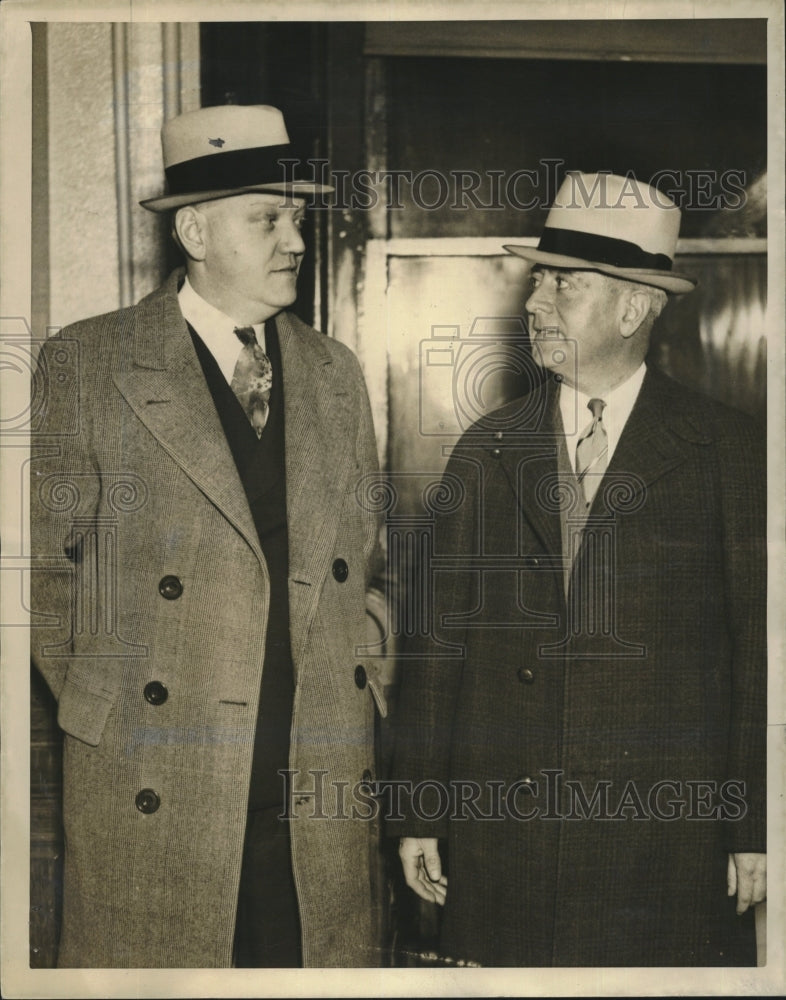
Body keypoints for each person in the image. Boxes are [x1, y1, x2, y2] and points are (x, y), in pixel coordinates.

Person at [30, 104, 387, 968]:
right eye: (267, 218)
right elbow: (36, 570)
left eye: (297, 217)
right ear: (194, 229)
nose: (294, 239)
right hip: (161, 773)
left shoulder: (334, 371)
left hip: (314, 778)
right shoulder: (90, 362)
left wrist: (366, 678)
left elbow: (372, 560)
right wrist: (107, 705)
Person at [391, 172, 766, 966]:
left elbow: (761, 658)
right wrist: (419, 809)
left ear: (635, 305)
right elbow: (435, 646)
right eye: (537, 280)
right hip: (507, 844)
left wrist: (755, 828)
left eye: (566, 284)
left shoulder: (727, 452)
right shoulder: (487, 447)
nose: (536, 302)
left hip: (663, 845)